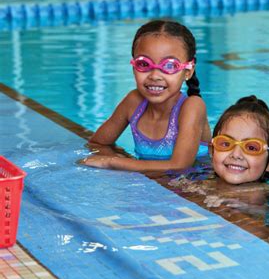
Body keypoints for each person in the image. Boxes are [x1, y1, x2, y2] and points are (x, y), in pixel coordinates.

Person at [81, 19, 211, 171]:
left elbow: (179, 165)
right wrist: (128, 162)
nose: (155, 75)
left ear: (187, 71)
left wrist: (113, 162)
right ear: (134, 66)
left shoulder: (192, 106)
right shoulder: (134, 102)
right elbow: (97, 143)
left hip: (195, 186)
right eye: (144, 64)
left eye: (169, 65)